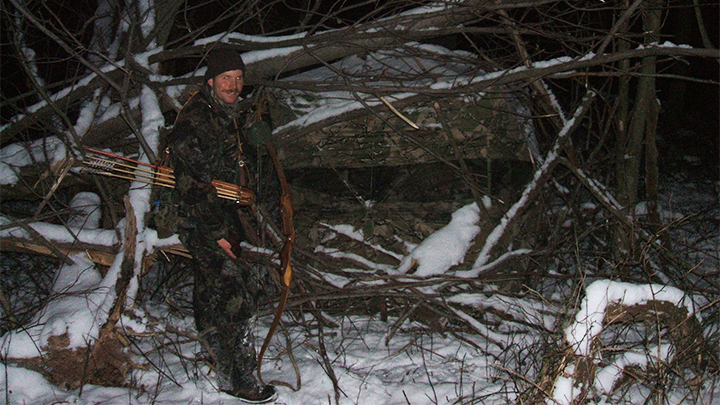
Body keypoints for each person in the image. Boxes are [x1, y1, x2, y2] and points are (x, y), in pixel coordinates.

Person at [166, 47, 277, 403]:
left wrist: (258, 139)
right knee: (233, 290)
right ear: (210, 81)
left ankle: (215, 352)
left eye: (239, 79)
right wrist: (220, 236)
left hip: (224, 215)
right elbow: (195, 187)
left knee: (208, 285)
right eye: (226, 79)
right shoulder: (195, 121)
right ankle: (239, 380)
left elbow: (243, 166)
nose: (233, 85)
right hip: (198, 218)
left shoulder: (230, 114)